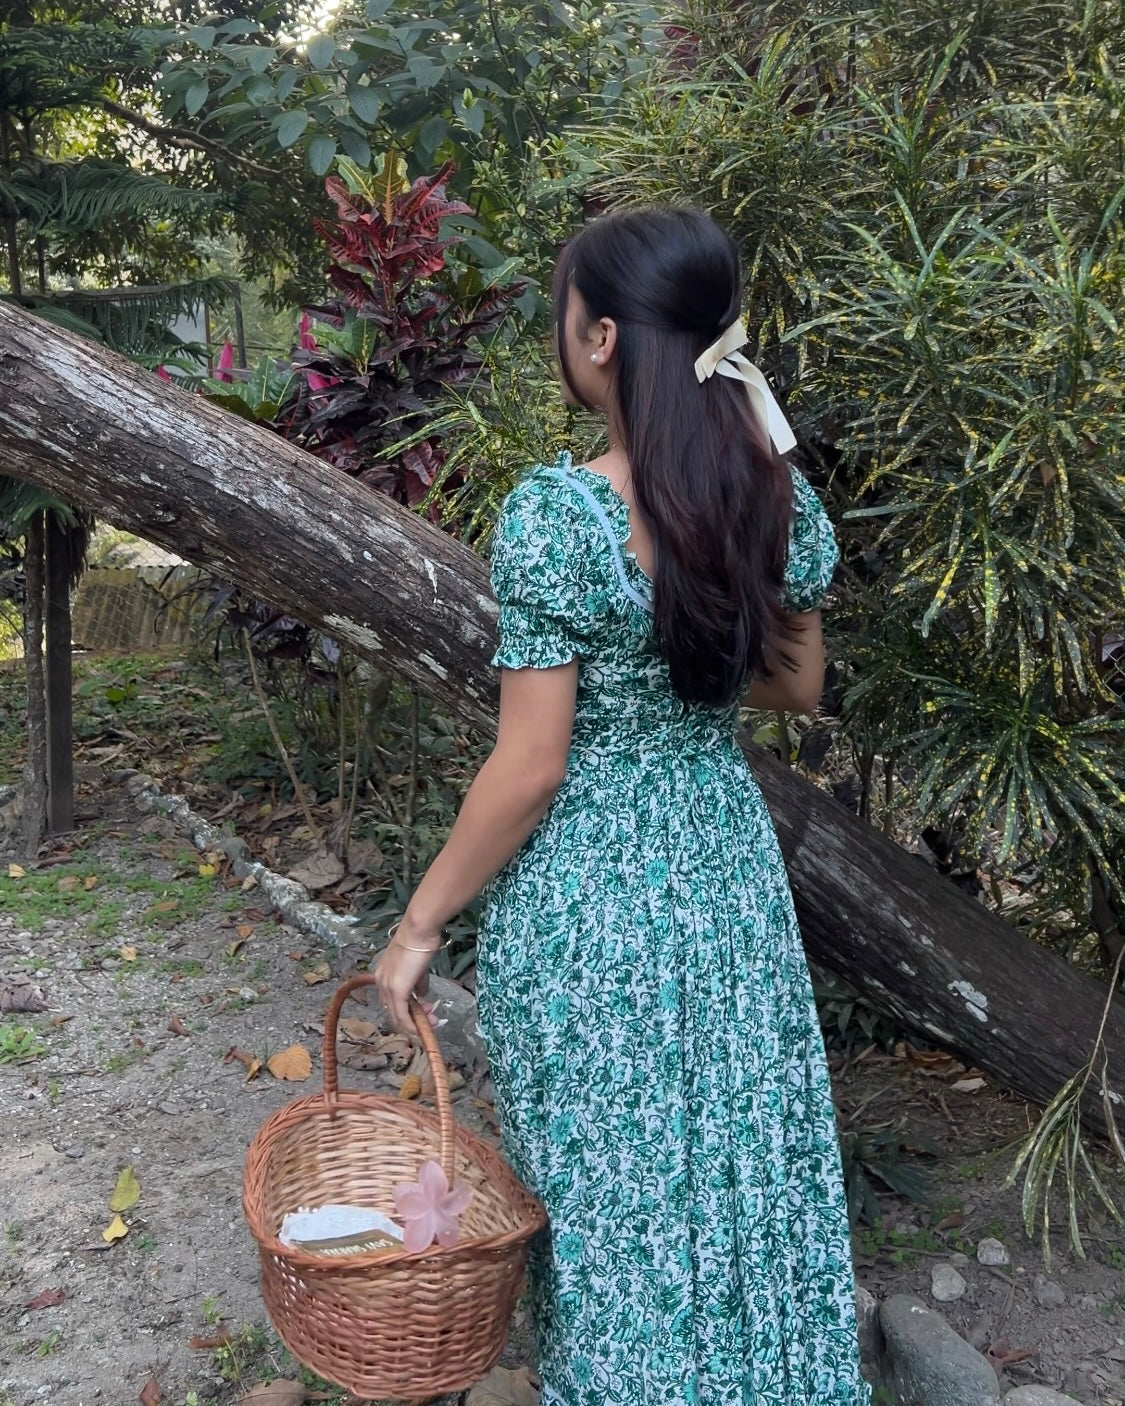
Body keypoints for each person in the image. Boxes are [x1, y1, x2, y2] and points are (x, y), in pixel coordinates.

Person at [373, 204, 870, 1406]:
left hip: (596, 899)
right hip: (724, 873)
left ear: (599, 337)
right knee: (740, 1176)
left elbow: (532, 763)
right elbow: (799, 687)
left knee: (613, 1202)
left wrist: (419, 925)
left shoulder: (560, 515)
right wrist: (693, 627)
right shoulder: (770, 492)